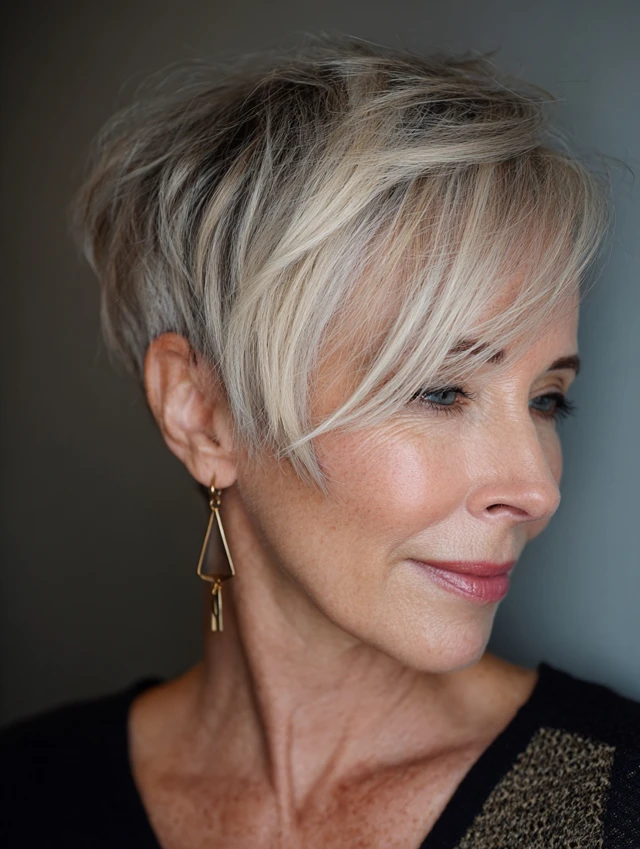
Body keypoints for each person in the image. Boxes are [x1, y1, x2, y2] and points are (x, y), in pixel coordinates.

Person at [1, 34, 638, 849]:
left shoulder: (607, 796)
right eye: (440, 390)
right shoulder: (30, 796)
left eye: (548, 400)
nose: (537, 489)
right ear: (201, 414)